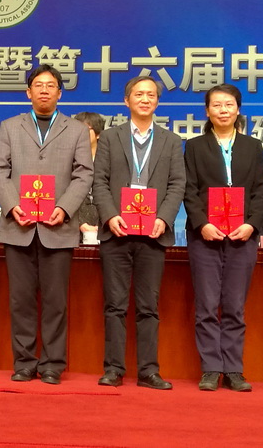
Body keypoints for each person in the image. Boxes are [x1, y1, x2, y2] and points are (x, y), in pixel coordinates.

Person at [0, 65, 93, 385]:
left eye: (51, 86)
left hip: (57, 228)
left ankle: (52, 364)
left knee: (55, 301)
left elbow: (83, 174)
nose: (44, 90)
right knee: (20, 300)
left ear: (60, 93)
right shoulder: (10, 126)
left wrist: (64, 208)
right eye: (38, 85)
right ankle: (24, 362)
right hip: (19, 226)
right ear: (28, 92)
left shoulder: (76, 129)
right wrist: (13, 206)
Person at [94, 75, 185, 390]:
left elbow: (177, 184)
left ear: (157, 101)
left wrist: (165, 218)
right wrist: (110, 215)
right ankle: (113, 369)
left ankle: (148, 371)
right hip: (116, 233)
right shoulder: (110, 137)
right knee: (114, 306)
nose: (145, 99)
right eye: (139, 94)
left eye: (151, 95)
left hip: (153, 235)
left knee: (149, 307)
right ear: (127, 100)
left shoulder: (171, 140)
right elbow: (99, 181)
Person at [184, 84, 263, 392]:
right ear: (207, 111)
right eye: (216, 105)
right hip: (205, 236)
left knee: (234, 305)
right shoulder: (194, 146)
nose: (223, 110)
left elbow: (261, 190)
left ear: (238, 109)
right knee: (206, 306)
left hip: (242, 236)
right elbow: (189, 190)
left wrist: (252, 225)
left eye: (229, 104)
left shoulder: (252, 146)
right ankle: (210, 368)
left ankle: (233, 369)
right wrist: (202, 224)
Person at [74, 112, 105, 244]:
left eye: (86, 129)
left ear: (98, 134)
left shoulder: (109, 161)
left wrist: (103, 224)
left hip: (104, 225)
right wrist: (80, 223)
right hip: (73, 225)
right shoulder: (67, 160)